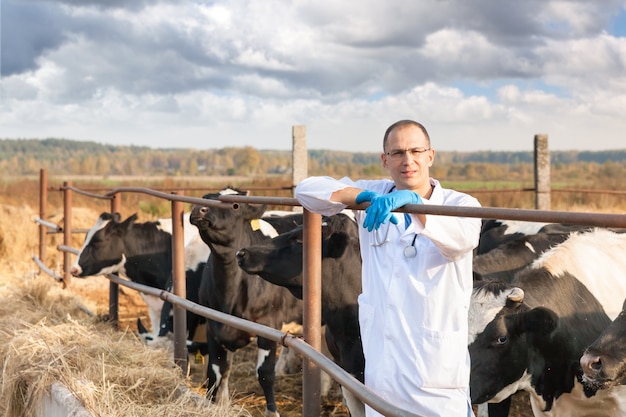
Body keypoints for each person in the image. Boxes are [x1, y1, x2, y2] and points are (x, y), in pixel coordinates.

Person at [295, 120, 481, 417]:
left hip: (435, 374)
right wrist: (359, 198)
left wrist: (417, 206)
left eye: (416, 151)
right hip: (384, 370)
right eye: (397, 153)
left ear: (430, 155)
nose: (408, 160)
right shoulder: (374, 194)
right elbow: (306, 191)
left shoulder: (460, 204)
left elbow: (462, 240)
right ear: (385, 160)